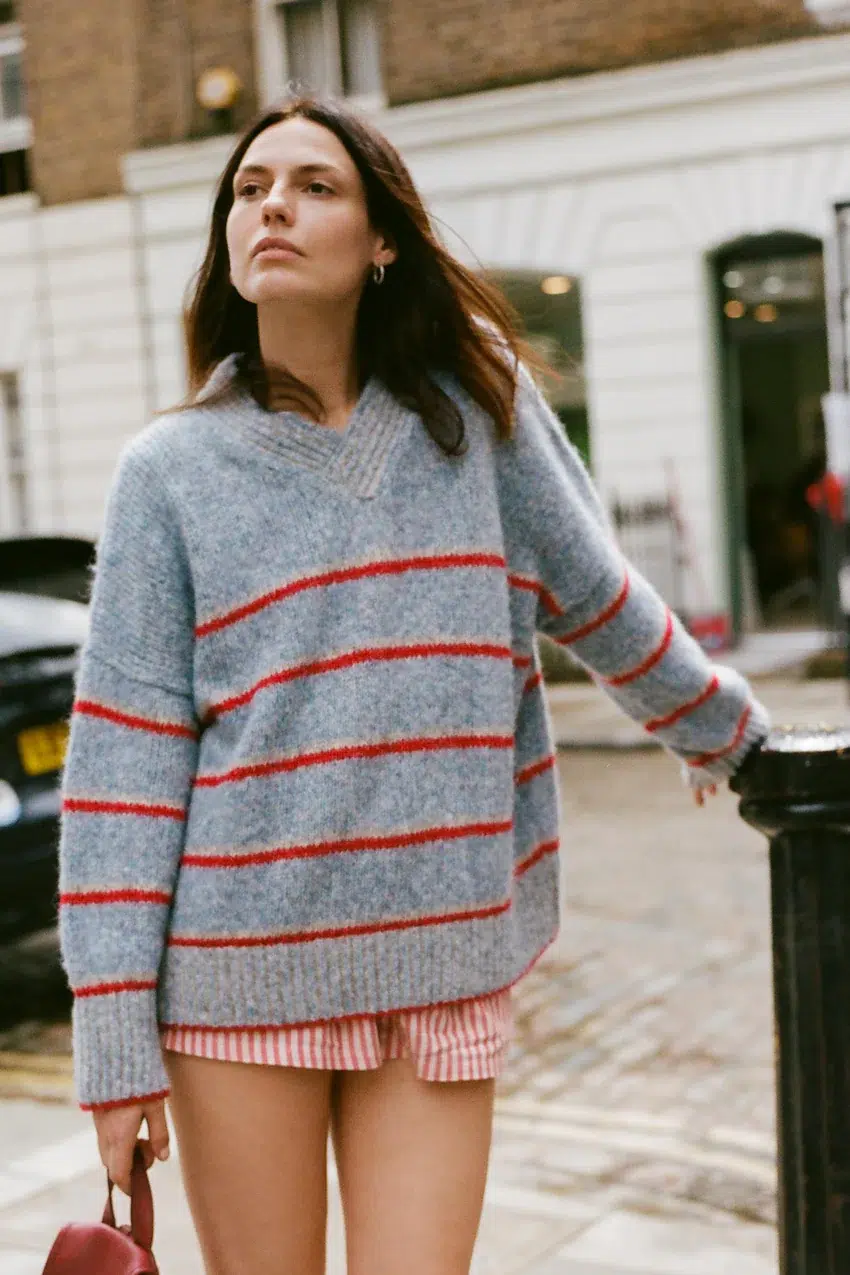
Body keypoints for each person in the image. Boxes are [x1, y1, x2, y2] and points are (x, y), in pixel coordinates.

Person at [57, 96, 771, 1275]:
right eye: (248, 190)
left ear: (382, 239)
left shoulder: (479, 415)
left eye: (314, 186)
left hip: (438, 967)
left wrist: (728, 735)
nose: (272, 207)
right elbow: (124, 768)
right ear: (226, 240)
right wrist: (115, 1048)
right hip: (235, 988)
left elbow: (596, 593)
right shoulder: (167, 473)